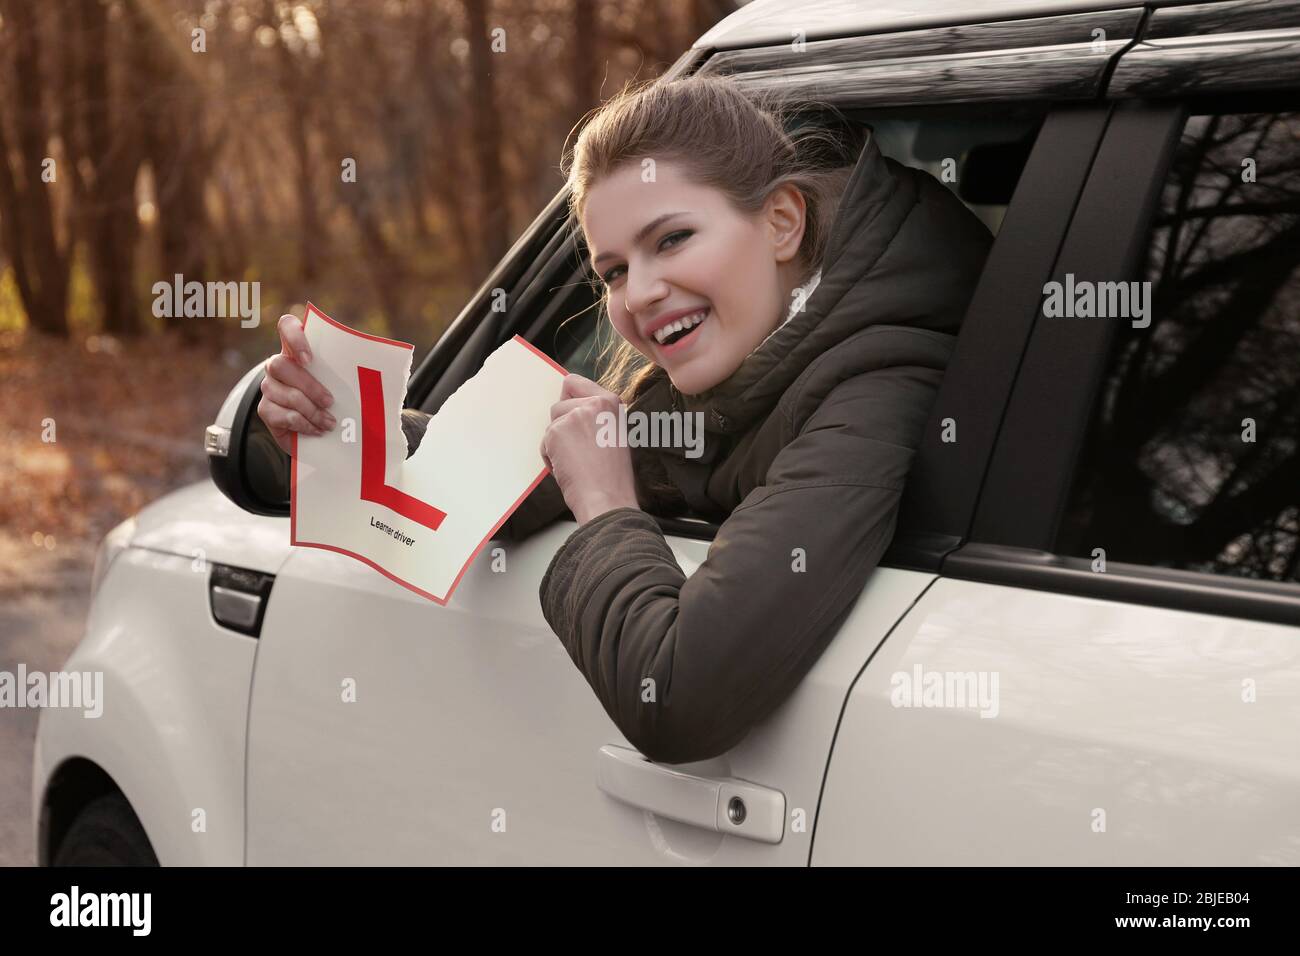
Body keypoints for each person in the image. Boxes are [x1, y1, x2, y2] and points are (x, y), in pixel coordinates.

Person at [257, 74, 992, 765]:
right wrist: (335, 426)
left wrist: (606, 504)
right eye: (611, 271)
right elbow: (507, 482)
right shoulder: (737, 377)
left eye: (672, 240)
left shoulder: (877, 386)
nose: (638, 293)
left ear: (781, 222)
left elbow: (678, 697)